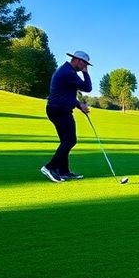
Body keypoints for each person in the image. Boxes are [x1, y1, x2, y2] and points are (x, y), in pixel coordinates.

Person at [40, 51, 93, 182]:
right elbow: (87, 87)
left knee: (66, 141)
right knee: (70, 141)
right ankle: (50, 167)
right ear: (77, 60)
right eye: (84, 64)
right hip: (60, 110)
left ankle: (64, 171)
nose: (84, 67)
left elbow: (67, 96)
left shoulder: (66, 71)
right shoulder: (68, 73)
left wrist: (79, 105)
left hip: (57, 109)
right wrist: (86, 73)